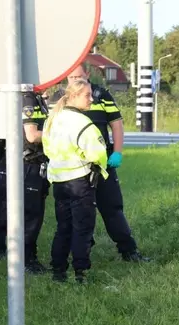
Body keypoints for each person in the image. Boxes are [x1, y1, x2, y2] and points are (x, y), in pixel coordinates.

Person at [63, 63, 149, 262]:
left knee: (112, 208)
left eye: (78, 76)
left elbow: (116, 125)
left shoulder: (101, 95)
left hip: (103, 164)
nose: (75, 81)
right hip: (74, 167)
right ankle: (79, 255)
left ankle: (129, 251)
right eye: (71, 78)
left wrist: (117, 153)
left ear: (87, 74)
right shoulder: (59, 98)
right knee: (77, 212)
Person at [42, 79, 109, 284]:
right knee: (83, 228)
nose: (92, 99)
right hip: (80, 181)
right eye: (87, 95)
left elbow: (47, 148)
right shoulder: (82, 122)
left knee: (63, 227)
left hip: (60, 183)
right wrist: (99, 165)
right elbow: (98, 152)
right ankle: (81, 274)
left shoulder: (53, 119)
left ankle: (58, 272)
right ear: (73, 96)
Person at [0, 90, 50, 274]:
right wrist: (58, 133)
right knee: (30, 214)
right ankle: (26, 261)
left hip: (13, 162)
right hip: (26, 164)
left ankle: (1, 253)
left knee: (5, 209)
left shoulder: (27, 96)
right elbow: (31, 135)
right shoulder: (28, 98)